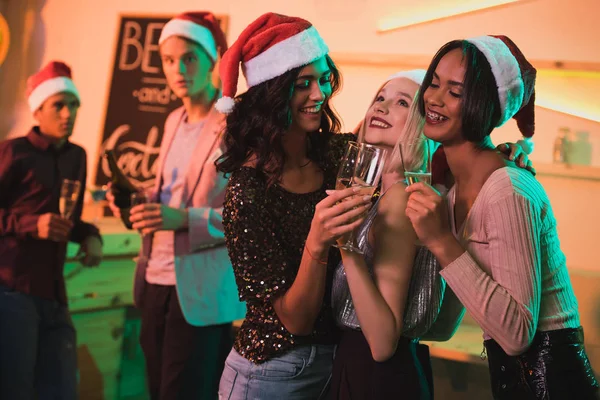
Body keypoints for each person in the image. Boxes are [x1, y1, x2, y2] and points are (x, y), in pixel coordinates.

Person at [405, 35, 599, 399]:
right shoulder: (453, 190)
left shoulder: (506, 189)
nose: (433, 98)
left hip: (553, 384)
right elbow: (446, 324)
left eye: (455, 92)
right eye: (433, 84)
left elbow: (515, 335)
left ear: (484, 105)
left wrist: (440, 241)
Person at [328, 69, 534, 400]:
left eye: (401, 102)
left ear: (423, 126)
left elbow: (382, 345)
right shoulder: (413, 196)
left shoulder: (399, 201)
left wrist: (345, 248)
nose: (382, 107)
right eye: (380, 98)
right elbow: (441, 328)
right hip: (393, 374)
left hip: (373, 377)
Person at [214, 13, 372, 400]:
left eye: (323, 79)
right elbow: (295, 321)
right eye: (304, 84)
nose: (319, 94)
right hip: (269, 374)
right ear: (272, 93)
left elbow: (403, 146)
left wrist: (496, 155)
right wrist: (317, 242)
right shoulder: (246, 194)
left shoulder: (334, 154)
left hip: (333, 365)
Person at [107, 12, 245, 399]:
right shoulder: (172, 121)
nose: (178, 69)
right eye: (168, 60)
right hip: (154, 280)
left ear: (212, 60)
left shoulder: (232, 130)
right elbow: (165, 199)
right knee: (156, 389)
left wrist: (183, 219)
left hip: (199, 292)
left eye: (189, 58)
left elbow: (245, 218)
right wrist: (136, 207)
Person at [0, 60, 103, 399]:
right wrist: (32, 224)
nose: (67, 113)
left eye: (73, 105)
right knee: (15, 389)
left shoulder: (78, 156)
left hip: (55, 293)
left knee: (61, 389)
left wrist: (89, 235)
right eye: (58, 105)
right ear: (37, 111)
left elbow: (66, 221)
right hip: (13, 289)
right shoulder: (14, 152)